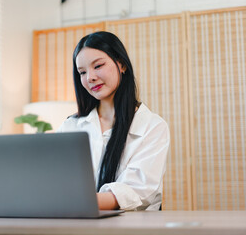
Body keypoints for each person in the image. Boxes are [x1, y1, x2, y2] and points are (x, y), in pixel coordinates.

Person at [57, 31, 170, 211]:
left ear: (122, 64)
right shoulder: (70, 126)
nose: (90, 77)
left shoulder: (153, 127)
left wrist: (77, 202)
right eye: (82, 72)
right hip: (77, 225)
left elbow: (137, 191)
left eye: (98, 66)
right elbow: (56, 182)